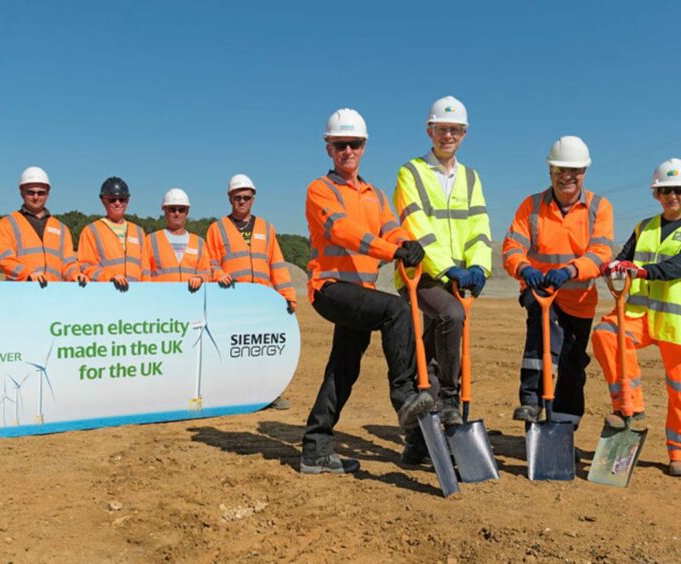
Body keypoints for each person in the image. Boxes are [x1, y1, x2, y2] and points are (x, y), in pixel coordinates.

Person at [300, 108, 433, 475]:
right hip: (329, 288)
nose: (347, 150)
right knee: (397, 310)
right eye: (340, 144)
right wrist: (392, 252)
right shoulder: (320, 190)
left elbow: (391, 228)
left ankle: (315, 446)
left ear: (364, 147)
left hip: (360, 292)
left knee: (343, 368)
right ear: (328, 148)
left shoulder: (375, 194)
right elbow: (342, 231)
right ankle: (404, 395)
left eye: (354, 144)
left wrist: (407, 243)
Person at [591, 158, 681, 478]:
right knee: (606, 334)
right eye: (665, 191)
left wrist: (641, 271)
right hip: (642, 313)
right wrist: (612, 266)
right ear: (656, 194)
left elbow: (680, 266)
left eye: (679, 190)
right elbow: (623, 259)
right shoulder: (645, 227)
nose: (672, 196)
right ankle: (630, 407)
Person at [393, 95, 492, 464]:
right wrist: (446, 267)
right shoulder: (411, 172)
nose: (447, 135)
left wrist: (480, 266)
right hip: (422, 276)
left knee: (432, 356)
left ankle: (418, 441)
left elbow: (479, 226)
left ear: (464, 134)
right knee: (451, 316)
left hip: (457, 277)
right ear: (429, 131)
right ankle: (450, 401)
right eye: (441, 129)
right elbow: (414, 222)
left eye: (455, 130)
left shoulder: (470, 177)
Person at [502, 136, 613, 433]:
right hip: (539, 293)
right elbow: (512, 246)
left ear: (584, 173)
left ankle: (564, 428)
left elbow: (601, 253)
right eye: (561, 169)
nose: (568, 176)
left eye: (575, 170)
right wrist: (524, 269)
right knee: (541, 340)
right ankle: (531, 403)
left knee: (572, 364)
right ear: (550, 171)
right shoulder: (532, 206)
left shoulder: (599, 208)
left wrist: (571, 270)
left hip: (579, 300)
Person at [206, 173, 297, 410]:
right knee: (234, 349)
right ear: (230, 198)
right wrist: (218, 275)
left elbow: (277, 264)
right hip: (233, 302)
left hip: (263, 301)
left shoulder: (267, 228)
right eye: (238, 197)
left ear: (253, 198)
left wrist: (287, 295)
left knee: (264, 350)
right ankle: (231, 394)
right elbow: (210, 262)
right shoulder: (217, 229)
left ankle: (271, 394)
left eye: (246, 197)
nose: (242, 201)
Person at [0, 166, 87, 286]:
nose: (36, 197)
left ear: (48, 194)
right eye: (31, 192)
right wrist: (28, 274)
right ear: (22, 193)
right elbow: (6, 260)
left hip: (54, 295)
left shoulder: (61, 228)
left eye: (41, 193)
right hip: (21, 293)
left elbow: (68, 262)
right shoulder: (7, 224)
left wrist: (75, 274)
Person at [78, 177, 151, 290]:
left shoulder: (138, 232)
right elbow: (86, 266)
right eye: (112, 199)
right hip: (106, 294)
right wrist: (109, 278)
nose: (117, 203)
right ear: (103, 201)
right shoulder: (91, 231)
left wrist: (147, 291)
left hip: (136, 297)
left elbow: (145, 269)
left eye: (122, 199)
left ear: (127, 201)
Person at [146, 188, 212, 291]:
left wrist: (200, 277)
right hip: (160, 302)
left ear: (187, 212)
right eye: (172, 209)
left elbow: (207, 272)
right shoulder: (151, 240)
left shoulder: (199, 243)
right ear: (165, 211)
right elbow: (144, 275)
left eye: (181, 209)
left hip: (191, 302)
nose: (177, 213)